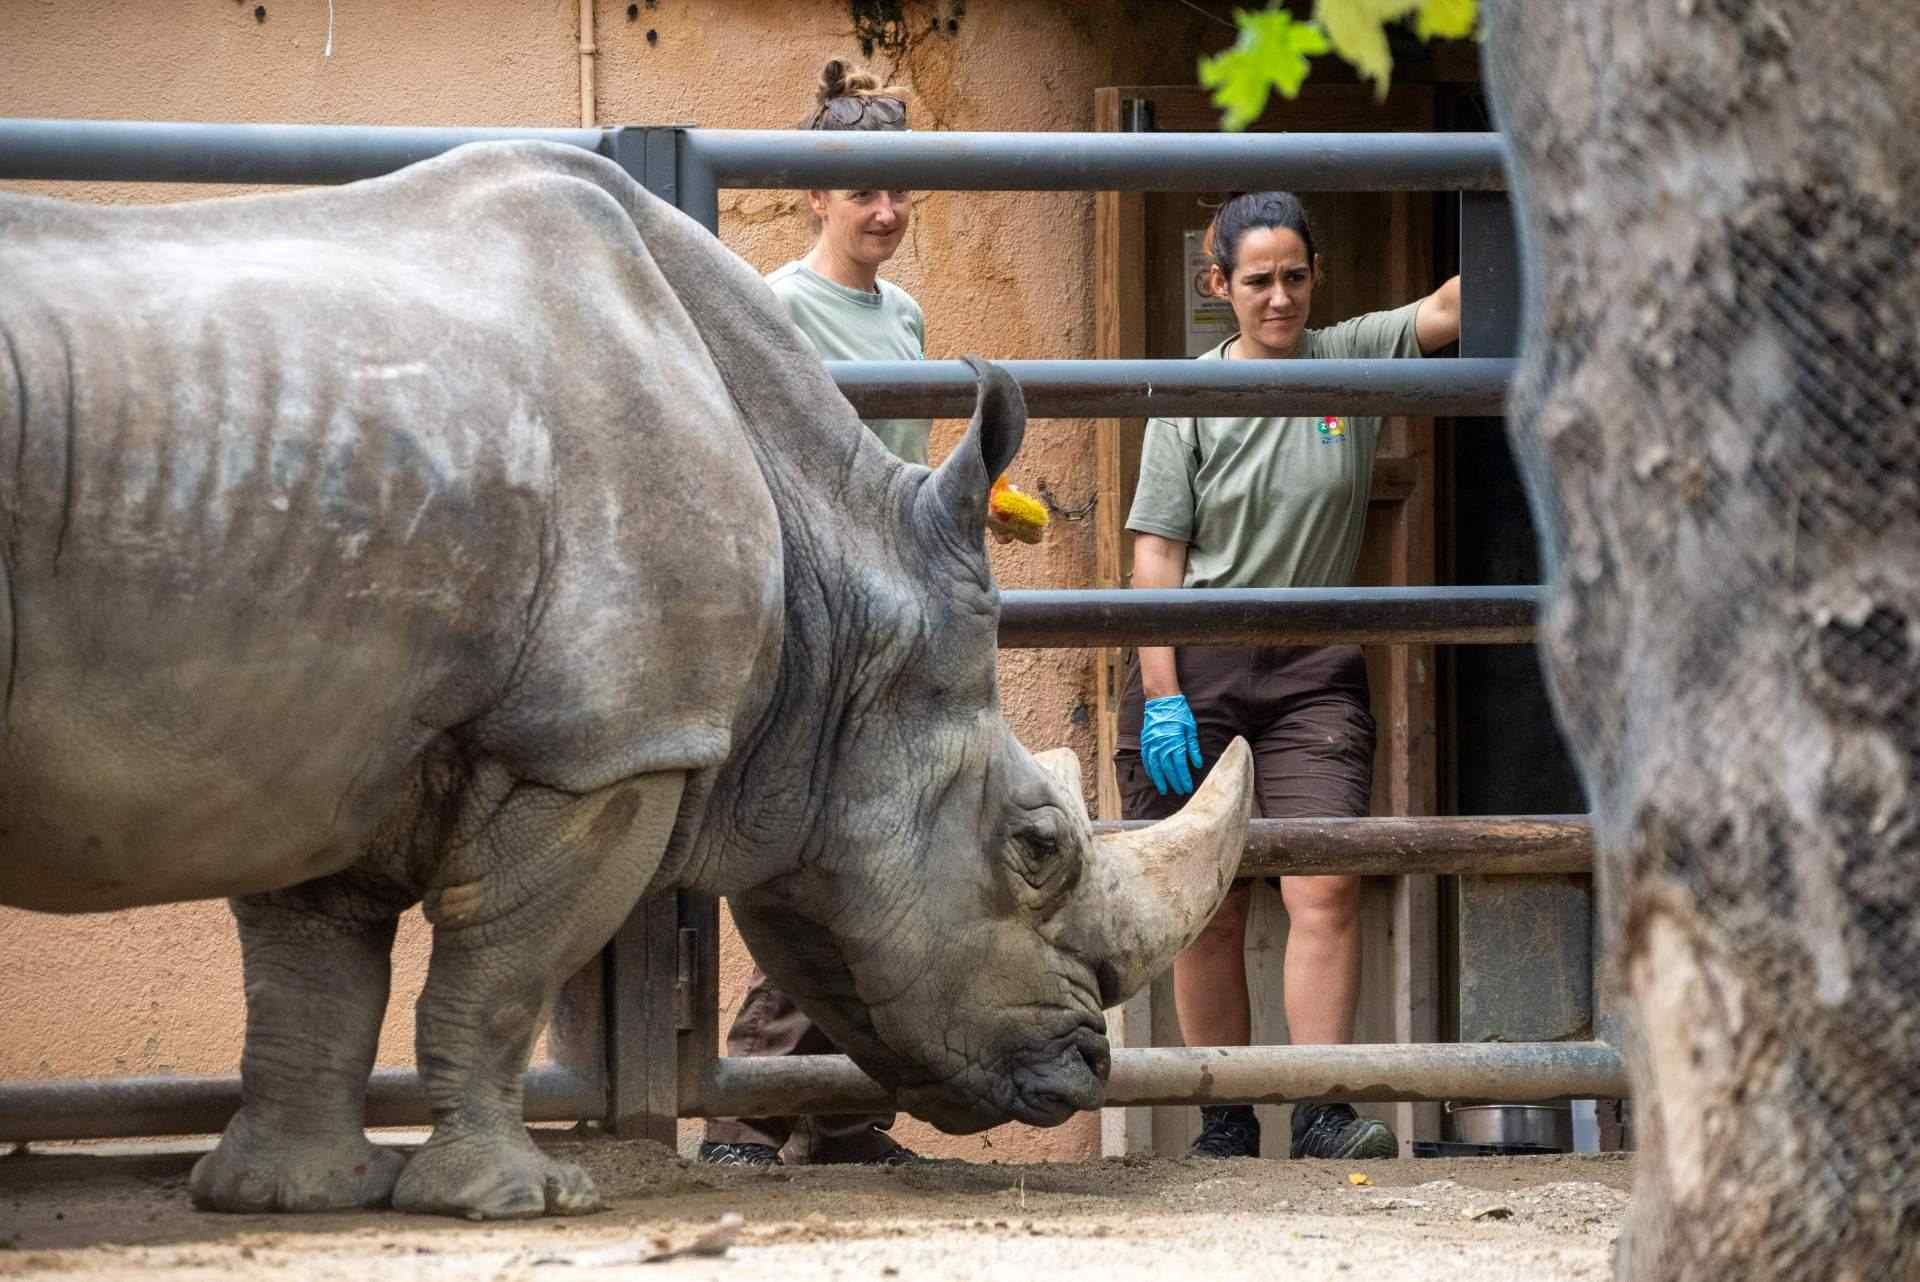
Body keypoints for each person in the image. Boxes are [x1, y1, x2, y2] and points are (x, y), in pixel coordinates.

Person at [1113, 191, 1460, 1161]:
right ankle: (1226, 1114)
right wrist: (1164, 692)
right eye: (1257, 280)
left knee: (1326, 882)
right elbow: (1154, 554)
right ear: (1216, 283)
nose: (1279, 298)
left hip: (1314, 662)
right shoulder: (1189, 393)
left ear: (1318, 277)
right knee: (1209, 899)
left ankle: (1319, 1105)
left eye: (1295, 277)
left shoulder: (1347, 355)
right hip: (1200, 652)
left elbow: (1449, 308)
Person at [698, 57, 931, 1170]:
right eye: (862, 191)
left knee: (874, 871)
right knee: (807, 869)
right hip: (814, 628)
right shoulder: (778, 307)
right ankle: (748, 1114)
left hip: (894, 620)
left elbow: (896, 464)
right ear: (817, 198)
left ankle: (834, 1113)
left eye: (899, 189)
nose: (884, 211)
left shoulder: (910, 315)